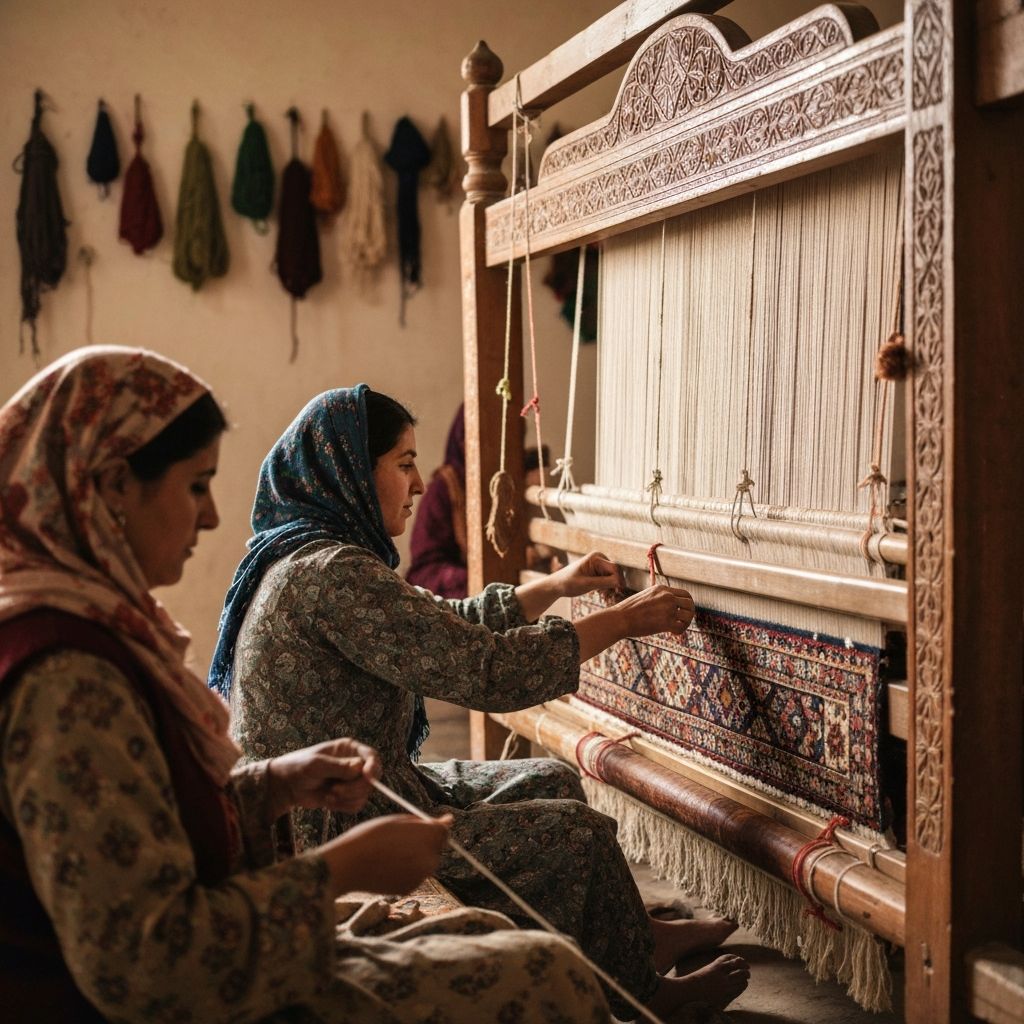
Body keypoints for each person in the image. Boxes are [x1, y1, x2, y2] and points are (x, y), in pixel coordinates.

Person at [0, 348, 616, 1024]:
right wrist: (337, 871)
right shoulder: (68, 680)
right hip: (184, 996)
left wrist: (278, 783)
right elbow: (147, 965)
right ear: (115, 487)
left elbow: (149, 810)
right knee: (546, 974)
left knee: (482, 933)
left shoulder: (96, 629)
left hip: (235, 937)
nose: (211, 518)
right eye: (197, 485)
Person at [213, 385, 750, 1020]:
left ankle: (635, 942)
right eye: (403, 463)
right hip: (342, 822)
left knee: (548, 776)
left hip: (373, 790)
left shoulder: (309, 558)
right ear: (354, 470)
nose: (418, 484)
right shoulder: (331, 576)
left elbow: (441, 624)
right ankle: (644, 997)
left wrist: (554, 585)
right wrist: (622, 623)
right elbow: (484, 671)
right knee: (577, 837)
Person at [405, 404, 557, 597]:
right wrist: (486, 576)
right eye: (488, 438)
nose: (497, 449)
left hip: (507, 591)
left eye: (508, 440)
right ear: (466, 439)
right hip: (461, 597)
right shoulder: (444, 490)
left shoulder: (515, 483)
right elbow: (424, 572)